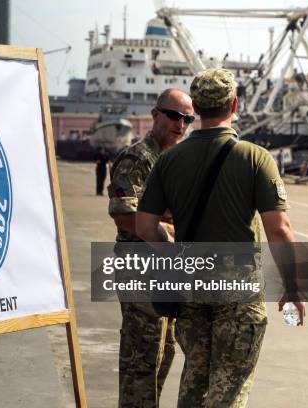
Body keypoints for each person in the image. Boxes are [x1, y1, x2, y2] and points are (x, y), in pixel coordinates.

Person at [130, 68, 306, 407]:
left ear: (195, 107)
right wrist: (293, 288)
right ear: (235, 104)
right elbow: (279, 229)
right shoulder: (255, 157)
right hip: (238, 293)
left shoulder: (169, 160)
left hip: (191, 289)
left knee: (195, 383)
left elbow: (144, 226)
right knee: (229, 390)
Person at [107, 88, 194, 408]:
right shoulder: (138, 158)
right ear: (155, 115)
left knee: (165, 349)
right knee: (141, 358)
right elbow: (124, 214)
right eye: (174, 116)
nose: (180, 125)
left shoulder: (175, 160)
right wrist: (172, 236)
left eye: (188, 119)